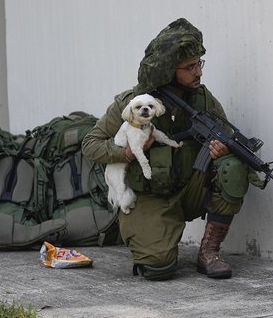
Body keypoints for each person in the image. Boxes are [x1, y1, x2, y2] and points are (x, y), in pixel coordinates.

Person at [82, 18, 263, 281]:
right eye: (190, 67)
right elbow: (91, 144)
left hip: (190, 189)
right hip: (149, 197)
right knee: (158, 267)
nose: (198, 72)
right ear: (168, 70)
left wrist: (223, 151)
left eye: (199, 64)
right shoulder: (133, 104)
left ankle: (209, 253)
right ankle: (155, 236)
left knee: (232, 168)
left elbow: (228, 137)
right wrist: (127, 153)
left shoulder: (203, 99)